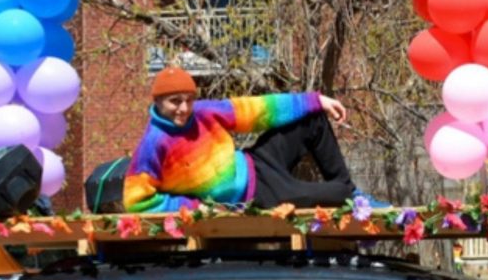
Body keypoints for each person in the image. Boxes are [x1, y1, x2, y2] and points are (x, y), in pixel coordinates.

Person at [124, 66, 372, 213]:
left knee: (313, 117)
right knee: (338, 193)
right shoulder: (154, 144)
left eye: (188, 100)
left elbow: (256, 110)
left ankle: (355, 193)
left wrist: (316, 100)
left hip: (255, 163)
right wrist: (193, 208)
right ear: (158, 102)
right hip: (256, 194)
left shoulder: (203, 112)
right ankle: (351, 196)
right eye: (175, 101)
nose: (184, 108)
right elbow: (136, 201)